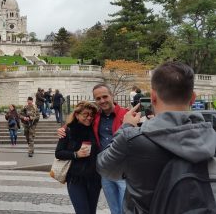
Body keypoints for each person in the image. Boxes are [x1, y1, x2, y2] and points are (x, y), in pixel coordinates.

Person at [97, 62, 216, 214]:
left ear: (153, 97)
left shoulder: (131, 140)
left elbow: (104, 166)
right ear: (193, 98)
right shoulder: (212, 139)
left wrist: (126, 126)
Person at [58, 84, 128, 214]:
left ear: (112, 95)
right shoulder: (95, 117)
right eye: (98, 98)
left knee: (127, 210)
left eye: (105, 96)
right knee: (114, 210)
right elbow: (78, 119)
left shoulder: (126, 114)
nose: (102, 100)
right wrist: (63, 129)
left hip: (123, 172)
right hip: (103, 173)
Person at [55, 101, 101, 214]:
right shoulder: (69, 130)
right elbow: (59, 153)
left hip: (94, 179)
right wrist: (76, 154)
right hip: (76, 179)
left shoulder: (95, 129)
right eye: (85, 114)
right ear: (77, 115)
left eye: (91, 115)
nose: (89, 118)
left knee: (91, 211)